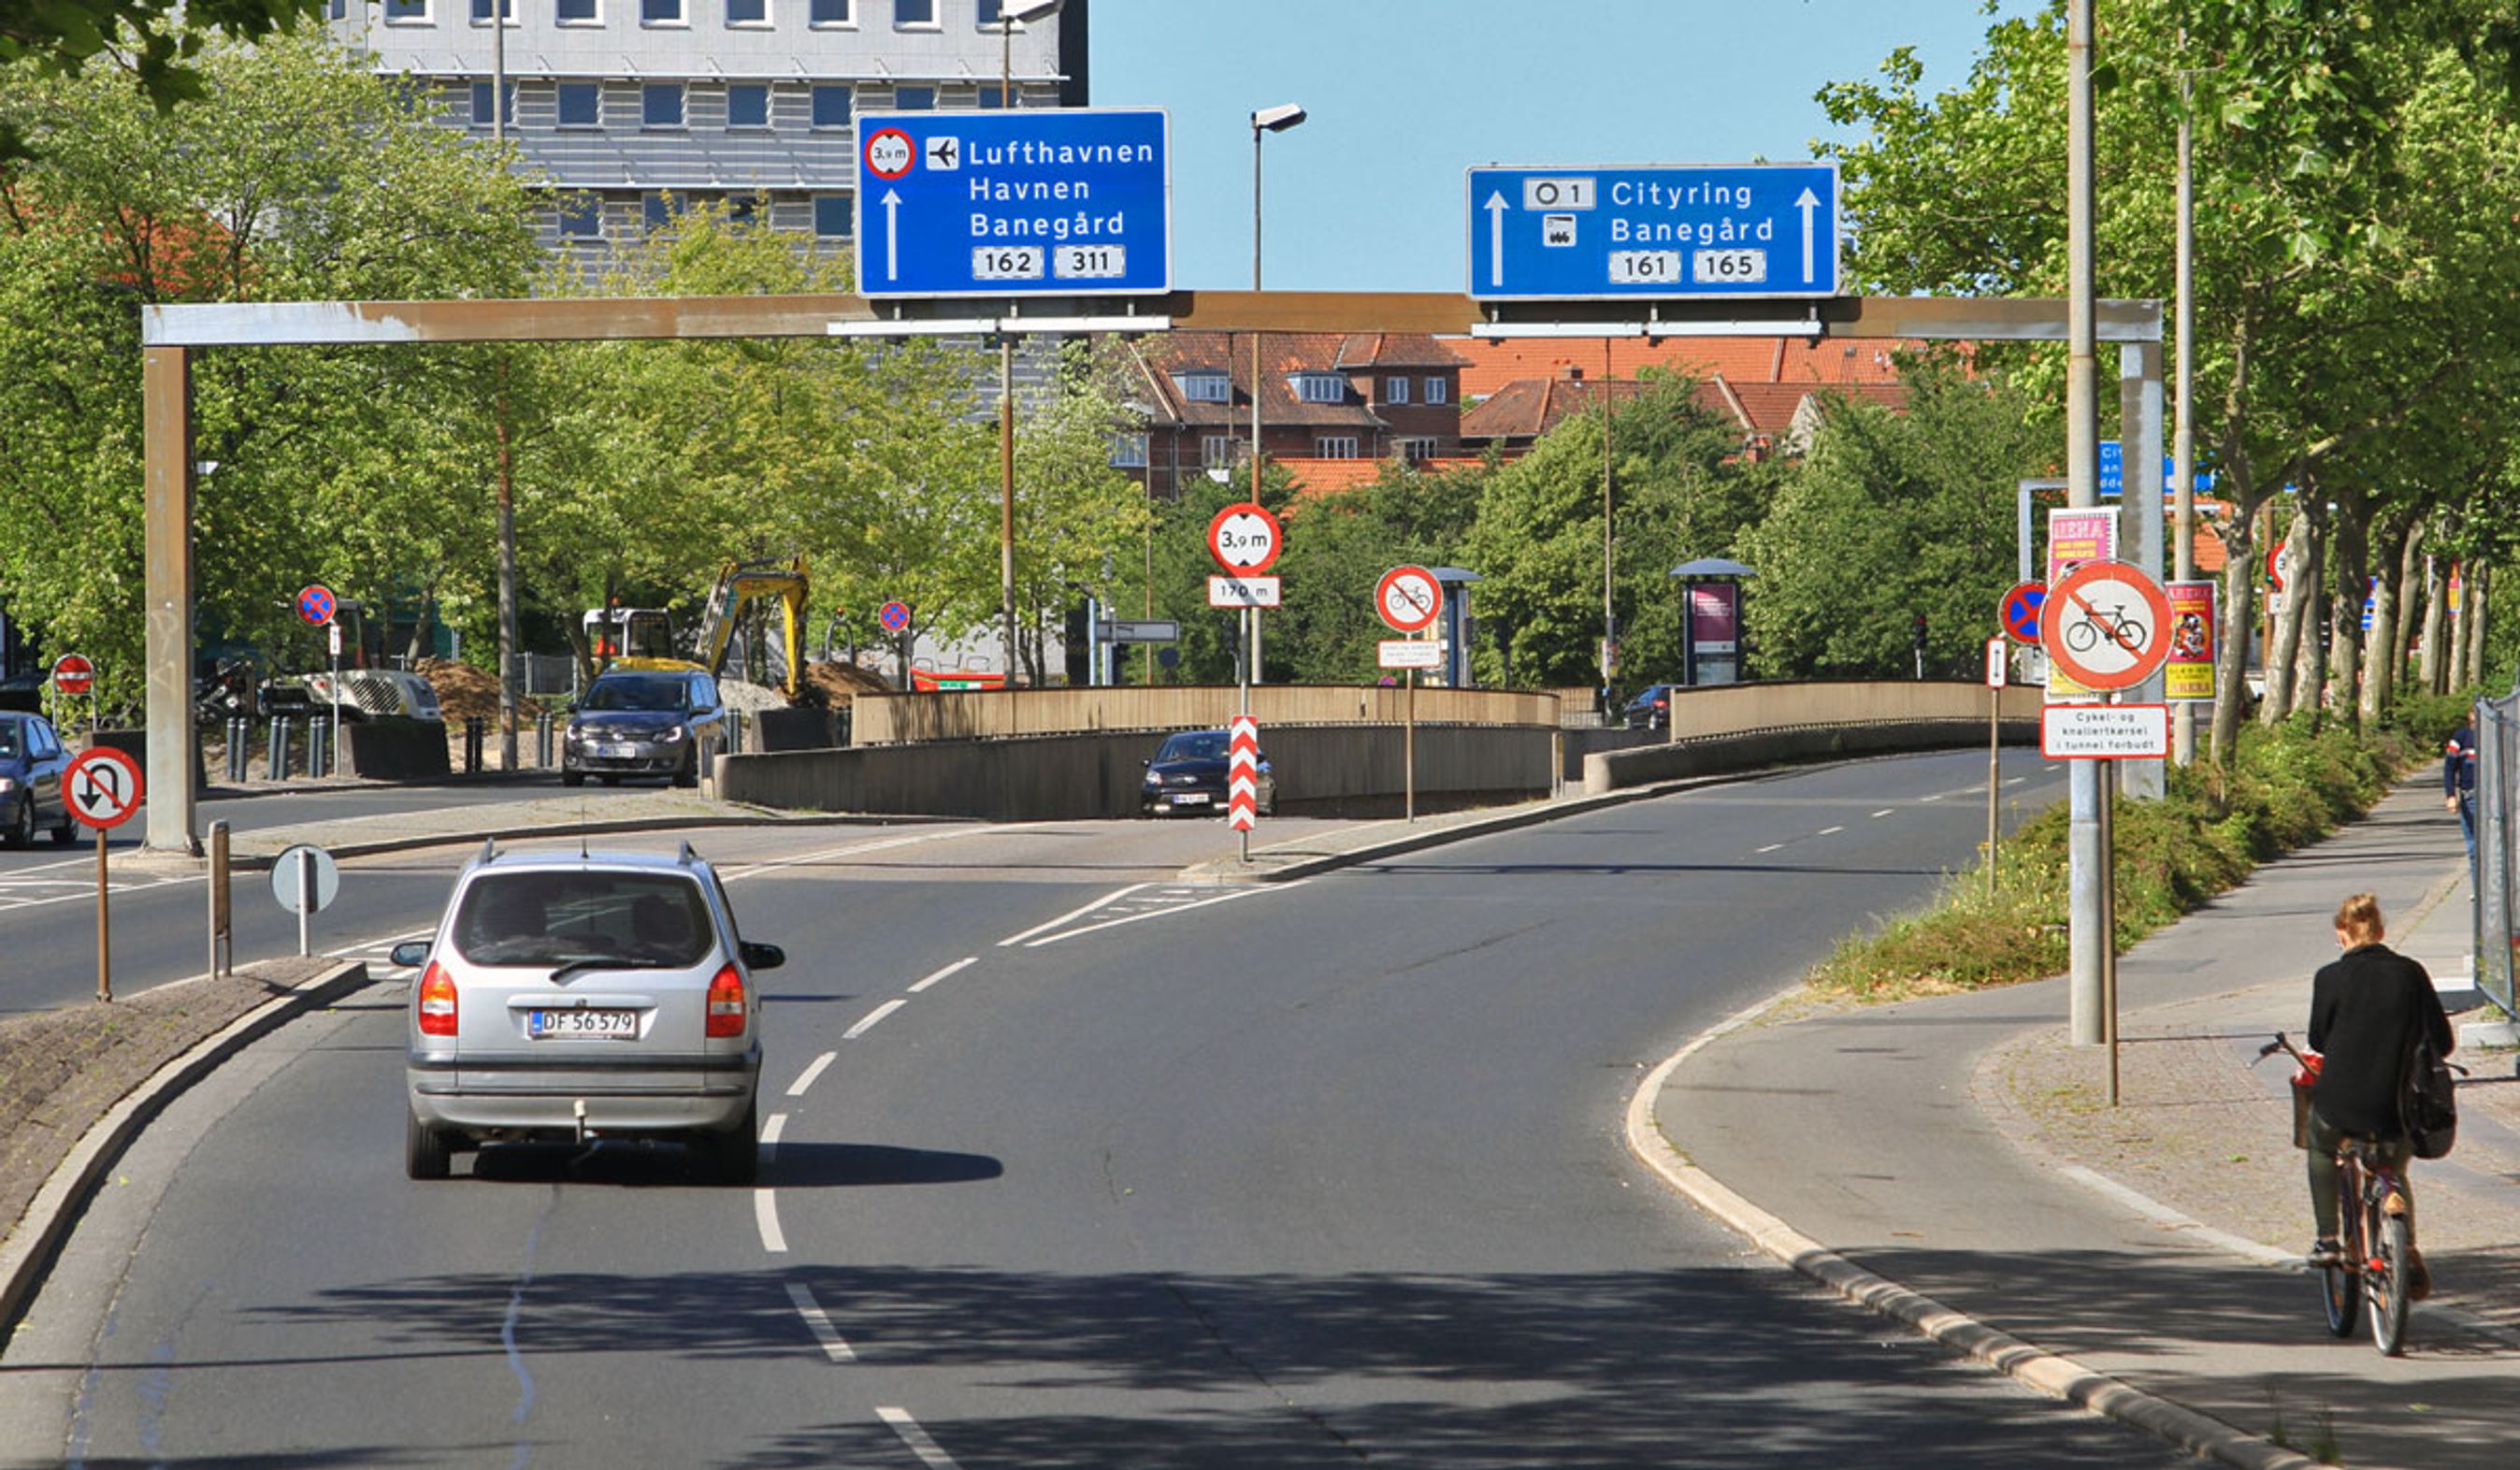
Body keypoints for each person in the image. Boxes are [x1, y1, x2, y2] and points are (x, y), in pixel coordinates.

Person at [2304, 892, 2455, 1297]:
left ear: (2341, 935)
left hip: (2342, 1102)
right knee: (2393, 1166)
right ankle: (2403, 1245)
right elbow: (2442, 1040)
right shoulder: (2411, 973)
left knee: (2320, 1144)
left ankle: (2328, 1239)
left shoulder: (2328, 978)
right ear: (2382, 931)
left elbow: (2318, 1039)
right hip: (2397, 1105)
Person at [2443, 722, 2478, 866]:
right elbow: (2449, 767)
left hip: (2488, 796)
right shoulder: (2461, 737)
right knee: (2474, 849)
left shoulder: (2496, 733)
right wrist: (2451, 794)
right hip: (2469, 795)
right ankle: (2480, 888)